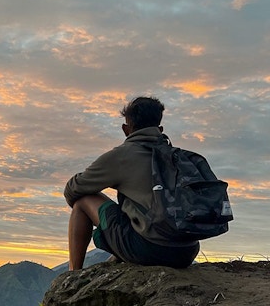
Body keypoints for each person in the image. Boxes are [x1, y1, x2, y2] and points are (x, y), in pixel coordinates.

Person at [64, 96, 200, 270]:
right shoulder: (178, 157)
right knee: (136, 203)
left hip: (149, 250)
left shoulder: (121, 156)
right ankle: (120, 253)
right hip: (187, 252)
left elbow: (73, 190)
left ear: (126, 129)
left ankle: (73, 273)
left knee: (83, 201)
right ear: (160, 129)